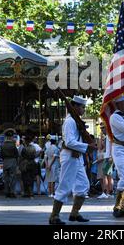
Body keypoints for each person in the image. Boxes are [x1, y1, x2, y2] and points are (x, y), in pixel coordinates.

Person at [49, 95, 96, 225]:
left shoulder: (76, 121)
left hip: (77, 157)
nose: (84, 109)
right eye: (82, 107)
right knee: (65, 186)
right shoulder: (70, 121)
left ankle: (74, 213)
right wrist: (88, 147)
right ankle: (54, 216)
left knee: (83, 185)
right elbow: (69, 142)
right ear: (74, 106)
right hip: (70, 156)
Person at [1, 129, 19, 198]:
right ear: (11, 137)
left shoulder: (3, 145)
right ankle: (12, 192)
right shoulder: (13, 145)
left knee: (6, 178)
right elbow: (16, 154)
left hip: (5, 161)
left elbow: (1, 155)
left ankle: (6, 192)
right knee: (12, 177)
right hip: (12, 161)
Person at [19, 134, 37, 198]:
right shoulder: (33, 147)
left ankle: (27, 192)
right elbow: (35, 155)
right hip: (32, 164)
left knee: (25, 178)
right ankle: (31, 192)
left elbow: (21, 157)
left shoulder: (24, 148)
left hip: (25, 164)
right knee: (31, 178)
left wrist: (19, 164)